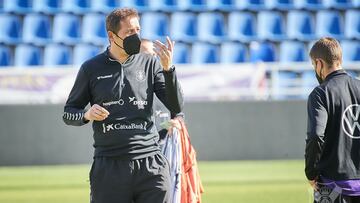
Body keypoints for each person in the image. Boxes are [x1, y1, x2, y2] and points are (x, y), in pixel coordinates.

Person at [62, 8, 183, 203]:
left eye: (137, 30)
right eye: (129, 32)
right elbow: (68, 113)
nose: (135, 36)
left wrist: (168, 70)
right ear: (111, 35)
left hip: (151, 165)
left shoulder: (150, 63)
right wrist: (87, 115)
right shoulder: (90, 68)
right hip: (109, 167)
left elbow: (176, 105)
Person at [305, 37, 360, 202]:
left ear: (319, 63)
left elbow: (316, 136)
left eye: (314, 65)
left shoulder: (320, 94)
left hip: (329, 185)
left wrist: (311, 173)